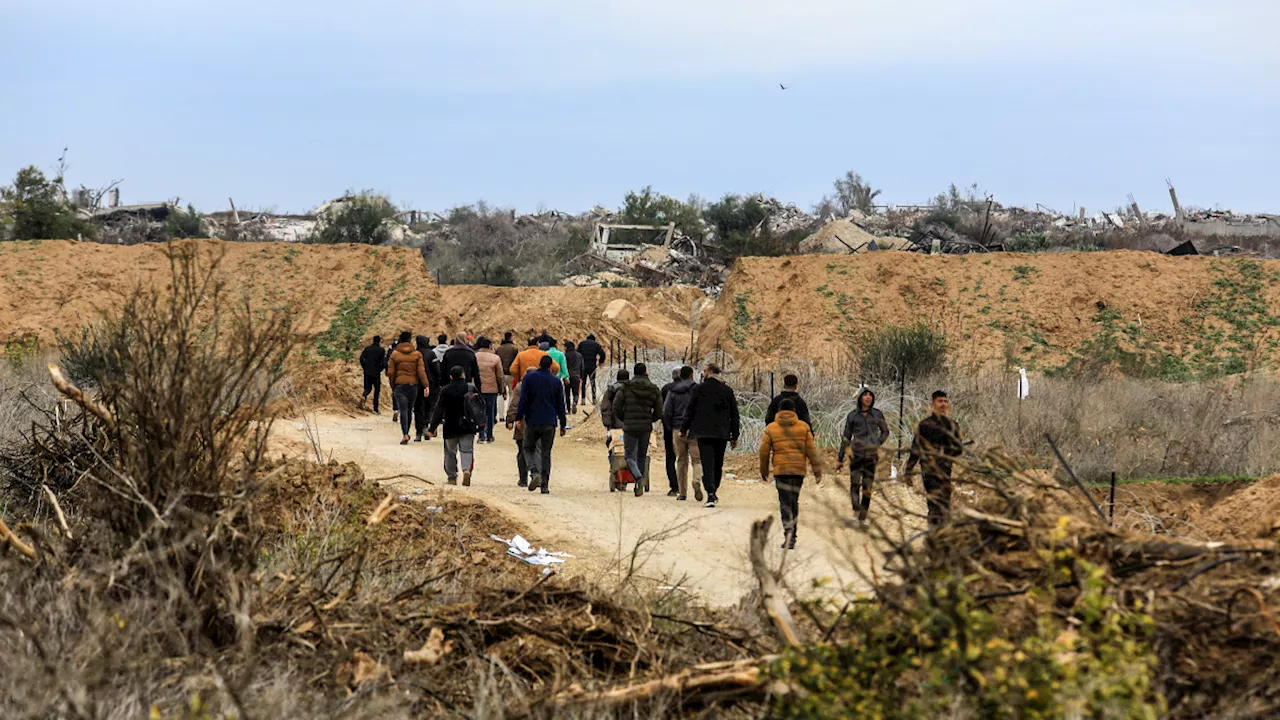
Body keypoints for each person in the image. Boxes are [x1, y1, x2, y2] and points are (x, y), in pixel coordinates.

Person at [760, 398, 824, 549]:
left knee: (784, 502)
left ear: (779, 411)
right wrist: (817, 471)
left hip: (781, 471)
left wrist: (763, 470)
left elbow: (763, 452)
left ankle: (788, 533)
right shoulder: (804, 427)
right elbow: (812, 451)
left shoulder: (771, 428)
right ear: (794, 411)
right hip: (798, 470)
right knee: (794, 501)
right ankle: (793, 534)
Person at [680, 363, 739, 508]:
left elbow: (690, 410)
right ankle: (714, 489)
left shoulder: (699, 389)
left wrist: (683, 429)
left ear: (710, 372)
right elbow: (734, 414)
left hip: (703, 432)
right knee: (718, 463)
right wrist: (734, 435)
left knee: (707, 463)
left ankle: (710, 493)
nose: (703, 374)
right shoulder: (727, 390)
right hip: (721, 433)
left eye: (705, 371)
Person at [904, 390, 965, 529]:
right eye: (940, 401)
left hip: (945, 470)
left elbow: (959, 449)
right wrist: (909, 470)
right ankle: (933, 536)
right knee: (933, 504)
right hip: (929, 471)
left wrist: (946, 453)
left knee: (945, 505)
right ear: (933, 404)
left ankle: (942, 538)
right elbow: (916, 448)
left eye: (945, 401)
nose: (943, 404)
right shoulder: (925, 425)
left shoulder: (952, 425)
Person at [836, 388, 889, 528]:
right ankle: (856, 512)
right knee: (854, 484)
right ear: (860, 398)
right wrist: (840, 458)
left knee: (868, 486)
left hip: (871, 456)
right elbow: (846, 438)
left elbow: (885, 431)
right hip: (856, 455)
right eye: (865, 395)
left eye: (870, 395)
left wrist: (876, 443)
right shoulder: (853, 416)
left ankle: (863, 517)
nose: (868, 397)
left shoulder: (877, 414)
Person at [516, 355, 568, 494]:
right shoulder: (556, 381)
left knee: (527, 447)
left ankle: (534, 471)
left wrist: (519, 417)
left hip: (532, 420)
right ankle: (544, 485)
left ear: (539, 364)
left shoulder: (529, 378)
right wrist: (563, 424)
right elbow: (560, 404)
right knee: (546, 453)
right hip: (549, 421)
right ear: (551, 366)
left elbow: (523, 400)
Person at [613, 363, 664, 493]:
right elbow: (659, 410)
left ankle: (639, 478)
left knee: (630, 456)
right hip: (646, 427)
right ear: (646, 372)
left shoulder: (626, 387)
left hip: (630, 426)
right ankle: (638, 485)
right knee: (642, 455)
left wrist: (624, 418)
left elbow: (616, 406)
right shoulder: (653, 389)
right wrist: (650, 419)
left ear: (634, 373)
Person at [428, 366, 479, 486]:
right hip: (468, 425)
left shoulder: (445, 390)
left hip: (450, 425)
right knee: (467, 450)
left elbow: (439, 409)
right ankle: (466, 470)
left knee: (450, 452)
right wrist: (480, 424)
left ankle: (452, 477)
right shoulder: (471, 388)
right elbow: (479, 407)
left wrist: (432, 427)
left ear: (451, 377)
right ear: (463, 375)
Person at [663, 366, 701, 501]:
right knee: (696, 459)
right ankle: (696, 480)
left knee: (681, 460)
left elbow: (667, 411)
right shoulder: (697, 390)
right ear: (691, 375)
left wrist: (671, 426)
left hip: (677, 429)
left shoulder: (673, 391)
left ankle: (682, 492)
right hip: (695, 429)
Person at [386, 331, 429, 445]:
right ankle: (408, 431)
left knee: (403, 410)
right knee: (409, 410)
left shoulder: (394, 354)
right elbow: (421, 372)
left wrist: (393, 385)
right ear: (410, 340)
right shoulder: (417, 354)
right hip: (413, 385)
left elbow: (390, 373)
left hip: (399, 385)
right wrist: (426, 385)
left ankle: (405, 433)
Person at [474, 337, 507, 443]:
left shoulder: (475, 356)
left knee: (480, 412)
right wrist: (502, 389)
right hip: (492, 389)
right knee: (490, 412)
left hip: (478, 389)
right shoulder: (496, 358)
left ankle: (481, 435)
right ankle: (490, 435)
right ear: (490, 346)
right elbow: (500, 376)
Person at [505, 366, 531, 487]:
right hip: (538, 421)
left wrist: (510, 420)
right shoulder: (543, 385)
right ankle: (537, 475)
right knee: (537, 449)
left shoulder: (520, 386)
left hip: (523, 422)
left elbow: (514, 404)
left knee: (522, 450)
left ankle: (523, 478)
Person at [660, 369, 681, 496]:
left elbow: (664, 409)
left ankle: (674, 486)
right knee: (686, 457)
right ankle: (687, 485)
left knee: (670, 457)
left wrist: (666, 424)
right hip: (687, 427)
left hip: (669, 427)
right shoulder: (693, 388)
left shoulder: (666, 389)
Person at [413, 335, 434, 441]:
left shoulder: (414, 354)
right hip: (430, 384)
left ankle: (418, 431)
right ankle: (426, 427)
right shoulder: (431, 353)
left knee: (417, 408)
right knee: (428, 407)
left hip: (416, 384)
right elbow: (436, 369)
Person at [359, 335, 386, 414]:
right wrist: (380, 369)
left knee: (367, 388)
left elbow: (361, 358)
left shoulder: (367, 349)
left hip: (367, 371)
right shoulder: (381, 350)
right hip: (376, 373)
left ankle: (364, 396)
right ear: (379, 341)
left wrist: (364, 367)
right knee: (376, 390)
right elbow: (383, 362)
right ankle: (375, 409)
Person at [578, 333, 606, 403]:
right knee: (592, 382)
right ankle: (594, 399)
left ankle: (583, 399)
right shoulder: (596, 344)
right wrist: (600, 362)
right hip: (592, 366)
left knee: (583, 383)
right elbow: (602, 354)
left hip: (583, 366)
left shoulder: (582, 344)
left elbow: (577, 353)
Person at [545, 339, 570, 407]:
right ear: (556, 345)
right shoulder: (560, 354)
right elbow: (563, 366)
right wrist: (566, 377)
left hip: (547, 377)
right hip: (558, 378)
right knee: (558, 396)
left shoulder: (545, 353)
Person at [564, 341, 585, 415]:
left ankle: (568, 410)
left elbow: (564, 366)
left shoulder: (566, 355)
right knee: (576, 393)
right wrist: (582, 376)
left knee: (567, 393)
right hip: (576, 376)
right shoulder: (579, 355)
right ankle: (575, 402)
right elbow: (582, 367)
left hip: (568, 376)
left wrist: (564, 376)